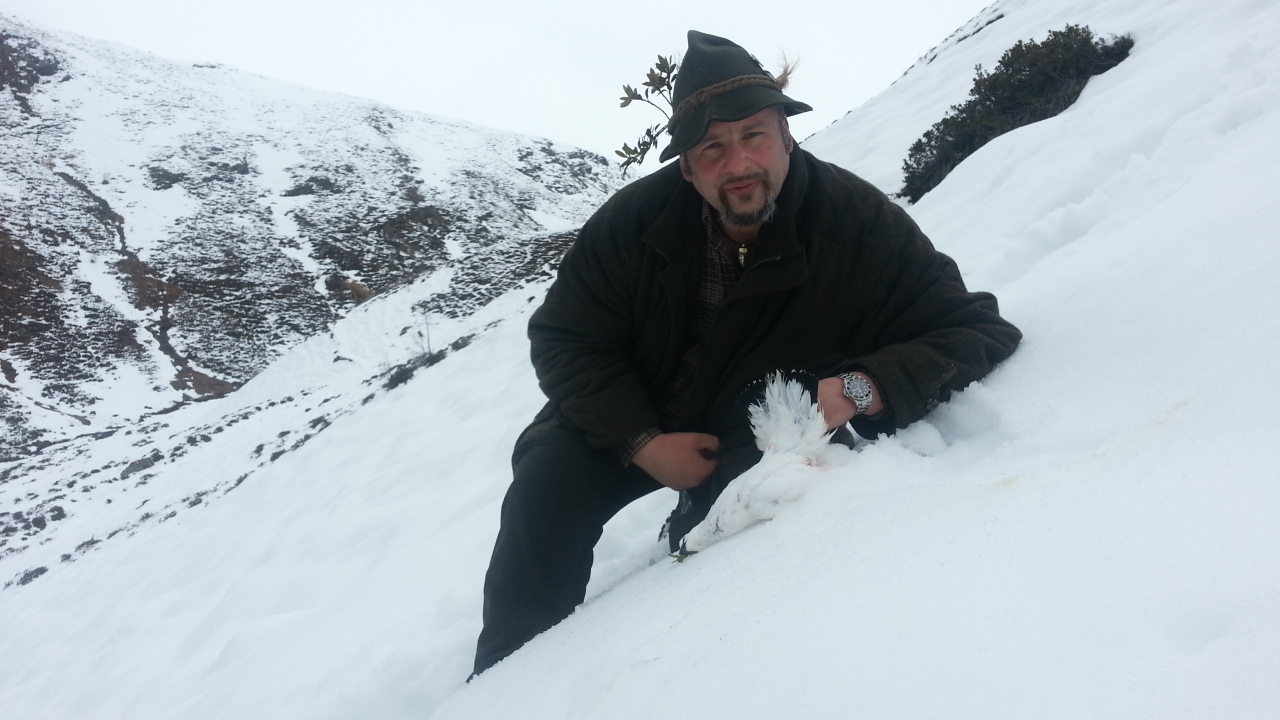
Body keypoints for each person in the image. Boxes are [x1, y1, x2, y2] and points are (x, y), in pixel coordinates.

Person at [472, 30, 1021, 675]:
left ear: (787, 135)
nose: (738, 165)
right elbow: (565, 337)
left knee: (724, 538)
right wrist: (643, 442)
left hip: (751, 424)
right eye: (712, 147)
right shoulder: (631, 222)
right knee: (544, 493)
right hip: (627, 412)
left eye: (755, 135)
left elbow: (975, 327)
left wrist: (864, 387)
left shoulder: (855, 222)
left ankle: (663, 675)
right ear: (685, 163)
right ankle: (502, 684)